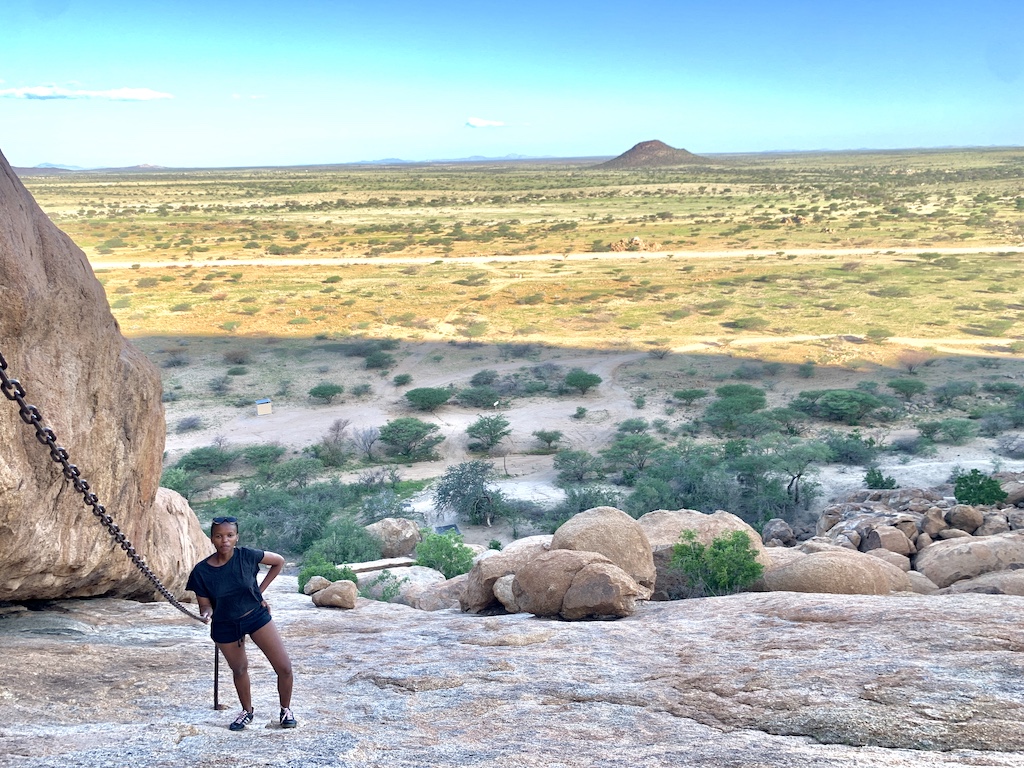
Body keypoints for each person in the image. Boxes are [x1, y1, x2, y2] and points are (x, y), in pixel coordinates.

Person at [187, 515, 297, 730]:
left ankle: (285, 710)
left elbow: (278, 561)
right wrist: (206, 614)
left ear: (237, 537)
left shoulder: (246, 556)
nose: (224, 540)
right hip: (225, 625)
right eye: (219, 536)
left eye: (230, 535)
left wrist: (259, 592)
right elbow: (205, 605)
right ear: (212, 538)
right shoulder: (201, 571)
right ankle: (247, 711)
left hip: (256, 616)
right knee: (239, 669)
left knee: (284, 667)